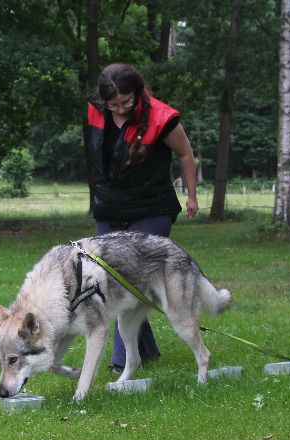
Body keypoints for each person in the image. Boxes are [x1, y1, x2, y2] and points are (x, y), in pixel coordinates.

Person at [85, 62, 199, 373]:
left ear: (138, 92)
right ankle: (145, 351)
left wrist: (191, 195)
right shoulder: (95, 110)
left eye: (127, 102)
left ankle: (122, 362)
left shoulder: (162, 118)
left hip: (152, 209)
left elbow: (186, 154)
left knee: (125, 277)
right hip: (110, 208)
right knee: (118, 278)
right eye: (114, 105)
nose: (120, 110)